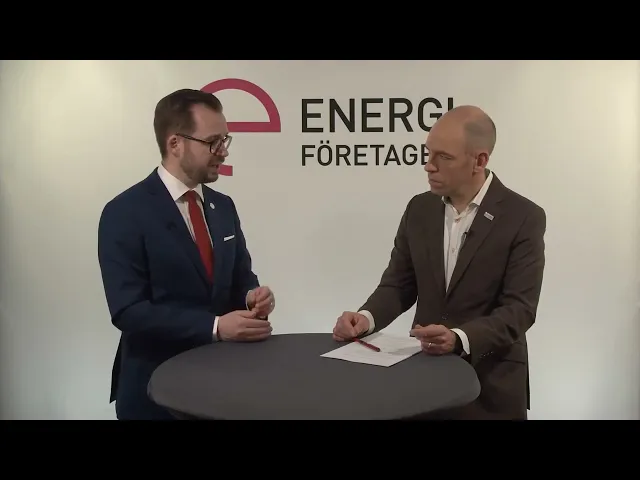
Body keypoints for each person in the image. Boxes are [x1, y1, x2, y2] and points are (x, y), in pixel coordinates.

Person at [331, 105, 546, 420]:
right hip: (426, 385)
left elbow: (519, 309)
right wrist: (366, 318)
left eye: (443, 157)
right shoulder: (419, 209)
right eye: (428, 153)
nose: (428, 166)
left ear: (480, 161)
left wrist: (459, 338)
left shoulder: (523, 216)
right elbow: (399, 285)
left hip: (491, 389)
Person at [98, 89, 275, 420]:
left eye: (225, 140)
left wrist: (252, 296)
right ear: (175, 144)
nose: (223, 151)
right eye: (213, 142)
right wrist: (216, 326)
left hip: (221, 387)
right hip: (154, 393)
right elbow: (129, 311)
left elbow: (241, 277)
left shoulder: (223, 207)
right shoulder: (124, 212)